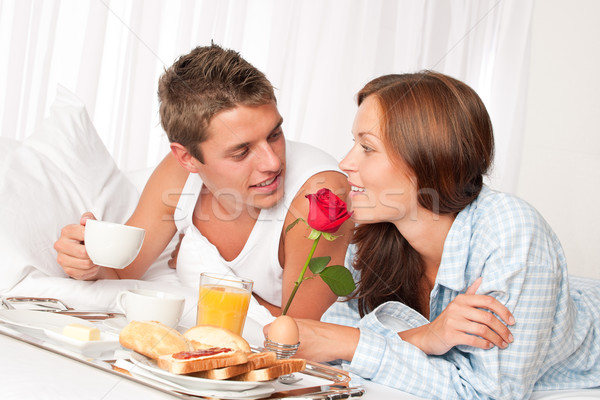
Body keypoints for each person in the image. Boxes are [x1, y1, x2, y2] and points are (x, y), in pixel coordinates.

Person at [277, 72, 600, 399]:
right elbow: (333, 348)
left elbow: (491, 393)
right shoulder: (378, 233)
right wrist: (423, 336)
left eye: (367, 148)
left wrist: (351, 343)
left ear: (426, 157)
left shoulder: (511, 231)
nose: (346, 163)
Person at [53, 44, 352, 319]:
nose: (273, 163)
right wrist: (87, 262)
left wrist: (208, 275)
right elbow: (121, 274)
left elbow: (300, 335)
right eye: (241, 151)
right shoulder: (178, 173)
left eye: (274, 134)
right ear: (187, 158)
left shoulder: (321, 198)